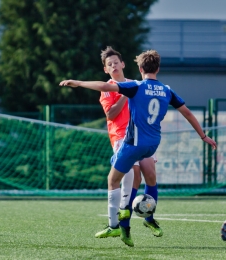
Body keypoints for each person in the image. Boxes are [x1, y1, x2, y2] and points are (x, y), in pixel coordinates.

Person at [59, 49, 217, 247]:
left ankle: (121, 217)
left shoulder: (135, 86)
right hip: (152, 144)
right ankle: (141, 218)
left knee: (113, 180)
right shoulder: (166, 90)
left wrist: (79, 83)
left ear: (139, 68)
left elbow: (102, 84)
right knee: (145, 176)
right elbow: (187, 114)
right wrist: (203, 136)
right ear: (157, 68)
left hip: (133, 142)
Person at [94, 46, 162, 245]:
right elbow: (110, 115)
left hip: (141, 135)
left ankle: (149, 219)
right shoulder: (108, 88)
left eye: (116, 62)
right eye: (109, 64)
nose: (114, 66)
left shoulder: (137, 84)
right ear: (106, 70)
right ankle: (121, 227)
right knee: (134, 175)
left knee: (149, 173)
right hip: (121, 138)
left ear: (123, 64)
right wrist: (125, 93)